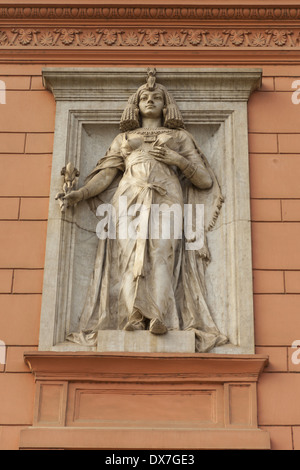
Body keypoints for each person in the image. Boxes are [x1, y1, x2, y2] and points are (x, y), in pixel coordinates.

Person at [62, 69, 228, 352]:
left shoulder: (179, 136)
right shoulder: (124, 140)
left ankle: (159, 317)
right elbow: (105, 176)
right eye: (144, 97)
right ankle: (133, 317)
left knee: (162, 253)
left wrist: (178, 160)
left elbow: (204, 180)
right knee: (127, 256)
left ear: (167, 104)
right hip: (129, 199)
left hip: (167, 199)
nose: (150, 101)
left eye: (157, 97)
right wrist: (80, 192)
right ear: (135, 104)